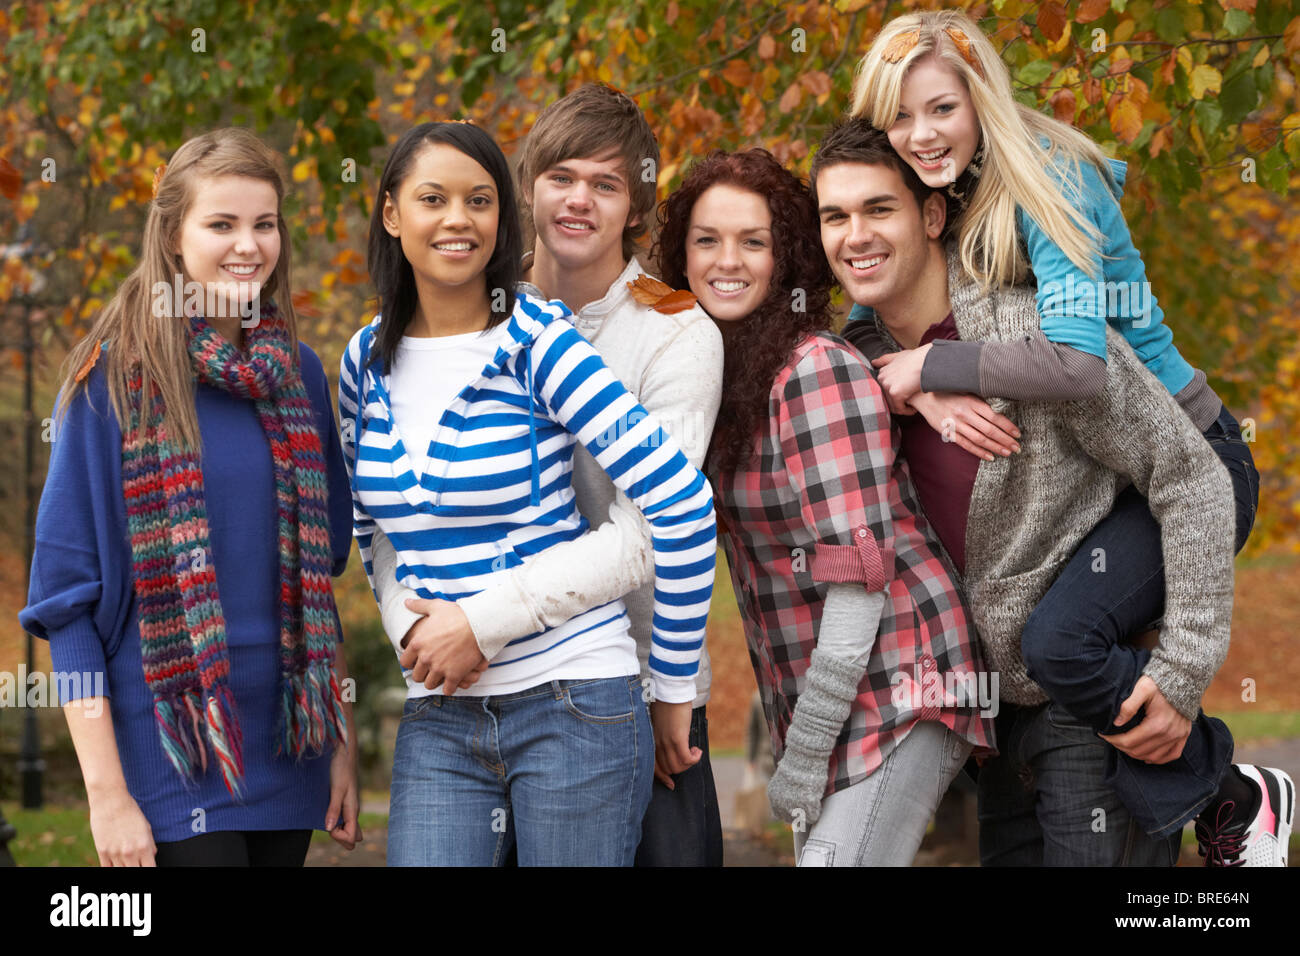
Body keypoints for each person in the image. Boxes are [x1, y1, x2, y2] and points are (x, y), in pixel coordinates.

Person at [843, 9, 1283, 866]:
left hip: (1192, 454)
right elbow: (865, 329)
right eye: (900, 116)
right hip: (1109, 472)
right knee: (1052, 650)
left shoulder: (1048, 176)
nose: (921, 134)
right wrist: (926, 399)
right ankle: (1210, 800)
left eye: (941, 108)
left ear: (981, 97)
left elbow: (1076, 366)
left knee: (1058, 643)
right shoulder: (938, 193)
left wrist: (935, 373)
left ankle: (1233, 790)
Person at [339, 120, 716, 867]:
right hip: (441, 715)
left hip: (573, 700)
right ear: (391, 213)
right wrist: (409, 634)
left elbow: (680, 505)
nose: (457, 218)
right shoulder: (362, 360)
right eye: (432, 198)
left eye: (479, 200)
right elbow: (375, 533)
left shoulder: (537, 337)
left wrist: (673, 685)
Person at [19, 128, 360, 867]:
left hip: (288, 742)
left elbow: (319, 585)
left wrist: (340, 746)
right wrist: (106, 794)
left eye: (264, 224)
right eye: (222, 224)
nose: (248, 245)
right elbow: (65, 607)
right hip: (170, 751)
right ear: (174, 237)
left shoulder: (298, 375)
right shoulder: (110, 382)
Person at [656, 146, 995, 867]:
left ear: (788, 256)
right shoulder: (718, 380)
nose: (729, 260)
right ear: (679, 255)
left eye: (755, 241)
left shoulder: (810, 371)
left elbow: (859, 579)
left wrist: (803, 754)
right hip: (826, 699)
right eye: (707, 240)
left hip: (905, 679)